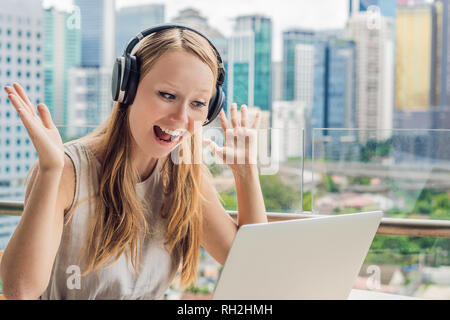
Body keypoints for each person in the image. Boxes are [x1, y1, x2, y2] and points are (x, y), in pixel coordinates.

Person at [0, 25, 267, 300]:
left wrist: (246, 172)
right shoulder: (68, 171)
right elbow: (20, 290)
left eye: (198, 103)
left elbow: (252, 267)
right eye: (167, 95)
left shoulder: (185, 177)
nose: (181, 118)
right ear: (126, 89)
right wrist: (50, 170)